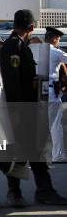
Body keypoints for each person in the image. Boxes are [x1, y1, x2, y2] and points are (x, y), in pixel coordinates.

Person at [0, 11, 67, 207]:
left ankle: (43, 191)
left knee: (36, 150)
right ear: (30, 27)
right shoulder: (14, 46)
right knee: (20, 152)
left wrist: (32, 81)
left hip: (27, 108)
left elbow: (20, 77)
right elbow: (12, 81)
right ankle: (16, 192)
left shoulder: (20, 45)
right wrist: (16, 112)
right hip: (21, 109)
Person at [46, 27, 67, 163]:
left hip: (35, 94)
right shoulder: (56, 52)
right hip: (51, 94)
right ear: (54, 39)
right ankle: (58, 155)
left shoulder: (33, 49)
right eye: (58, 39)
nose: (58, 42)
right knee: (55, 125)